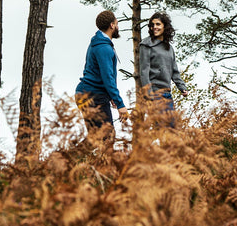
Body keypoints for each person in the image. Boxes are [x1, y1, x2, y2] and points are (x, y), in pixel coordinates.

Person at [75, 10, 129, 142]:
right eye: (117, 23)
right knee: (107, 138)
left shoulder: (97, 43)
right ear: (112, 25)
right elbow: (107, 77)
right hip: (93, 96)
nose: (117, 26)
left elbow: (91, 70)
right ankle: (65, 160)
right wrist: (120, 104)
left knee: (97, 138)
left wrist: (109, 95)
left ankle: (66, 160)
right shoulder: (103, 48)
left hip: (88, 93)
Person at [138, 12, 187, 127]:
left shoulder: (169, 48)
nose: (155, 27)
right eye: (152, 25)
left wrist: (182, 87)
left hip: (167, 95)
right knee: (163, 130)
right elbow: (144, 72)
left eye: (158, 24)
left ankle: (146, 144)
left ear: (165, 26)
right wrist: (149, 96)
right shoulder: (146, 45)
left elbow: (174, 70)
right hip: (155, 94)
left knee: (171, 131)